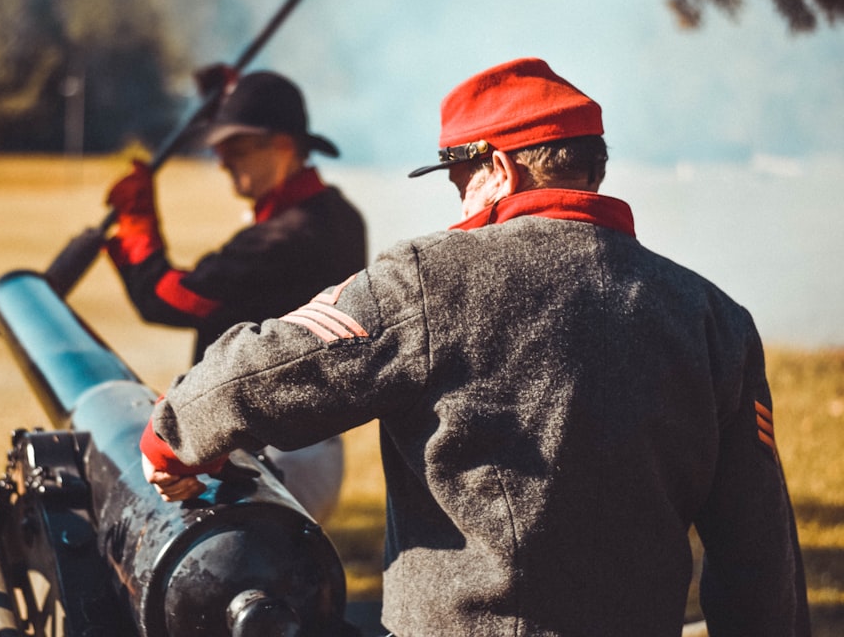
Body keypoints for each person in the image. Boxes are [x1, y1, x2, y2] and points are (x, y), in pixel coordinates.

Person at [139, 58, 811, 636]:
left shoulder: (432, 278)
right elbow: (759, 554)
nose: (458, 201)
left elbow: (271, 363)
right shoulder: (715, 320)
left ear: (496, 168)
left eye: (457, 177)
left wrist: (171, 435)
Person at [105, 69, 367, 522]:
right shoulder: (334, 214)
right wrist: (233, 98)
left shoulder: (288, 236)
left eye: (238, 149)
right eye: (220, 149)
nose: (223, 162)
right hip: (301, 443)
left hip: (274, 451)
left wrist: (138, 229)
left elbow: (170, 297)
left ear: (283, 146)